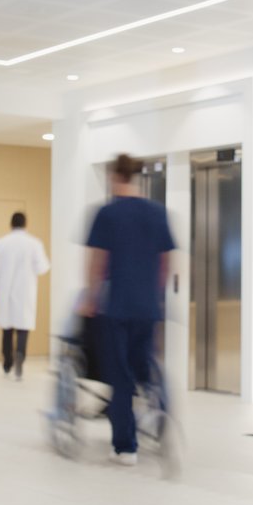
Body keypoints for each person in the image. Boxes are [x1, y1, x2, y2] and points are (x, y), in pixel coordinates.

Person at [78, 154, 176, 466]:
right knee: (144, 369)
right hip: (147, 308)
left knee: (120, 378)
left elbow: (98, 261)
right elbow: (166, 260)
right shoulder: (157, 213)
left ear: (113, 176)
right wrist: (157, 296)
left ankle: (125, 446)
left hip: (116, 308)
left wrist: (91, 298)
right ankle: (161, 421)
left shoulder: (107, 213)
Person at [0, 211, 51, 380]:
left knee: (6, 329)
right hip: (26, 291)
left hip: (7, 291)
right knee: (23, 328)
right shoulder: (34, 243)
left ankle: (7, 363)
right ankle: (20, 355)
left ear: (11, 224)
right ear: (25, 224)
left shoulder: (1, 243)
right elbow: (43, 268)